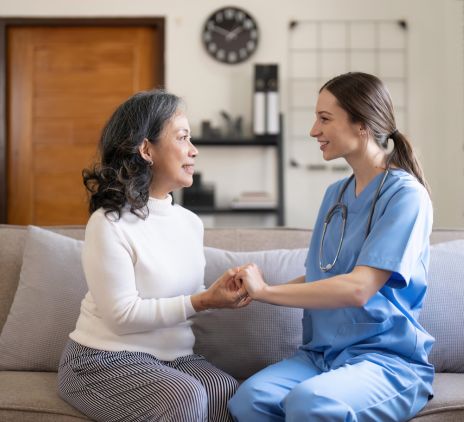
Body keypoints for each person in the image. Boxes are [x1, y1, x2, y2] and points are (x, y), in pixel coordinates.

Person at [228, 72, 434, 422]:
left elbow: (357, 289)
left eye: (324, 119)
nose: (313, 130)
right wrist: (257, 289)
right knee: (250, 400)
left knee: (311, 402)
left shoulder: (406, 196)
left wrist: (266, 292)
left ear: (362, 125)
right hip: (322, 355)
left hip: (386, 361)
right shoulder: (334, 195)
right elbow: (319, 276)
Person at [57, 89, 251, 422]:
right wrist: (204, 300)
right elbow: (122, 316)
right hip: (101, 359)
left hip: (174, 359)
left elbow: (181, 300)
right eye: (183, 137)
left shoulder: (190, 224)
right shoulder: (108, 223)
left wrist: (225, 292)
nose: (194, 150)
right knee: (184, 397)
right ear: (146, 149)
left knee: (227, 392)